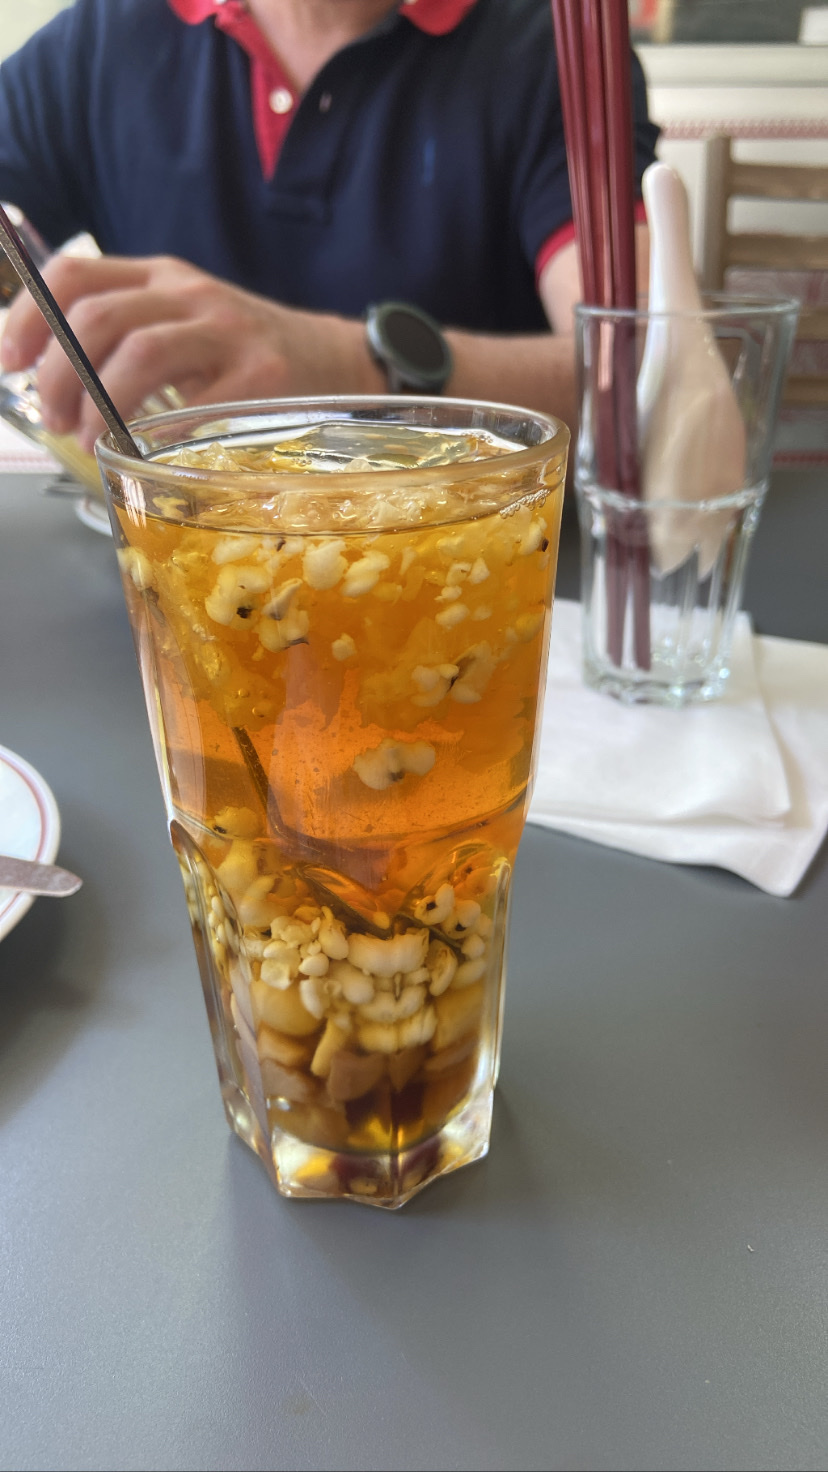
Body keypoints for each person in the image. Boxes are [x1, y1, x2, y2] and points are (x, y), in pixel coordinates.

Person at [0, 0, 659, 451]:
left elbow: (639, 369)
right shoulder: (97, 42)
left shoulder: (554, 49)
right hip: (168, 564)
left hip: (466, 566)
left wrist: (346, 366)